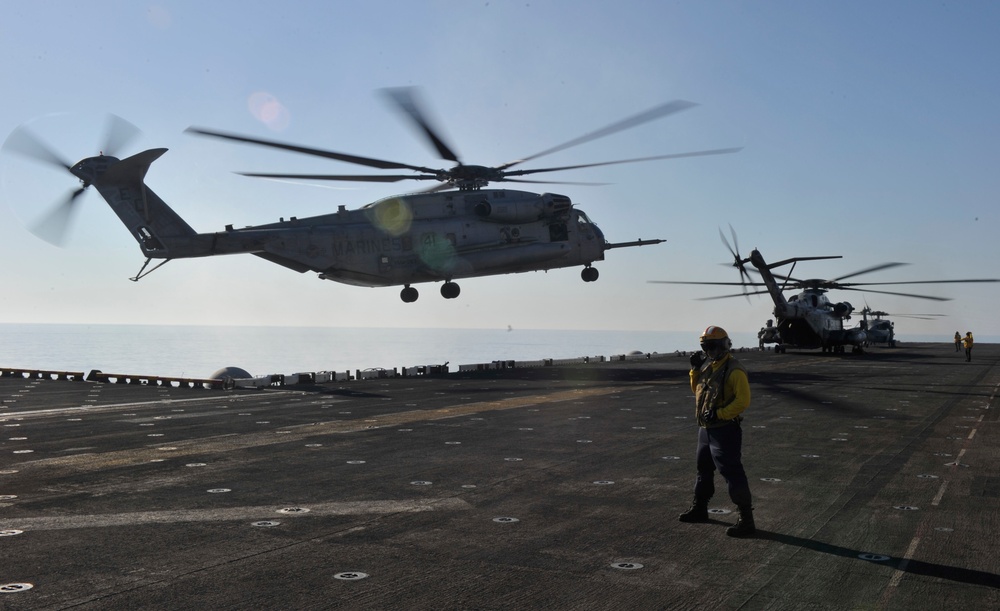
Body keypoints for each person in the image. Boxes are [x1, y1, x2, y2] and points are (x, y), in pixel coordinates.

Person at [678, 325, 755, 537]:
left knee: (732, 473)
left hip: (725, 430)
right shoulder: (709, 368)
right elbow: (699, 391)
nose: (710, 352)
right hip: (706, 429)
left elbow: (743, 401)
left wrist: (721, 414)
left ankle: (747, 520)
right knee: (703, 471)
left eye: (713, 347)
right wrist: (694, 370)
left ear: (724, 345)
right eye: (706, 348)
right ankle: (700, 509)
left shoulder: (734, 369)